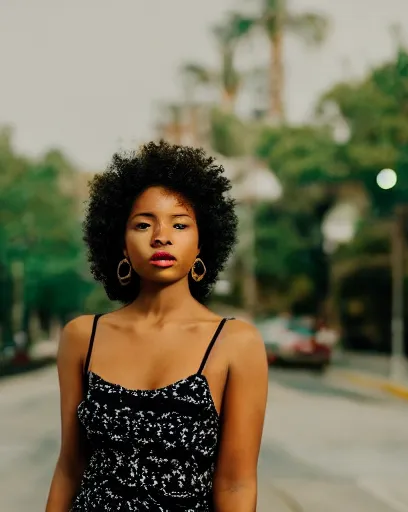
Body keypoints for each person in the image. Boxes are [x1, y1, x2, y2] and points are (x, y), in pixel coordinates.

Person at [45, 142, 268, 512]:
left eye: (179, 224)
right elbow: (70, 467)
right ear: (121, 243)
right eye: (143, 224)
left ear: (202, 244)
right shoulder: (82, 337)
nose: (161, 236)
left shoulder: (235, 342)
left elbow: (235, 485)